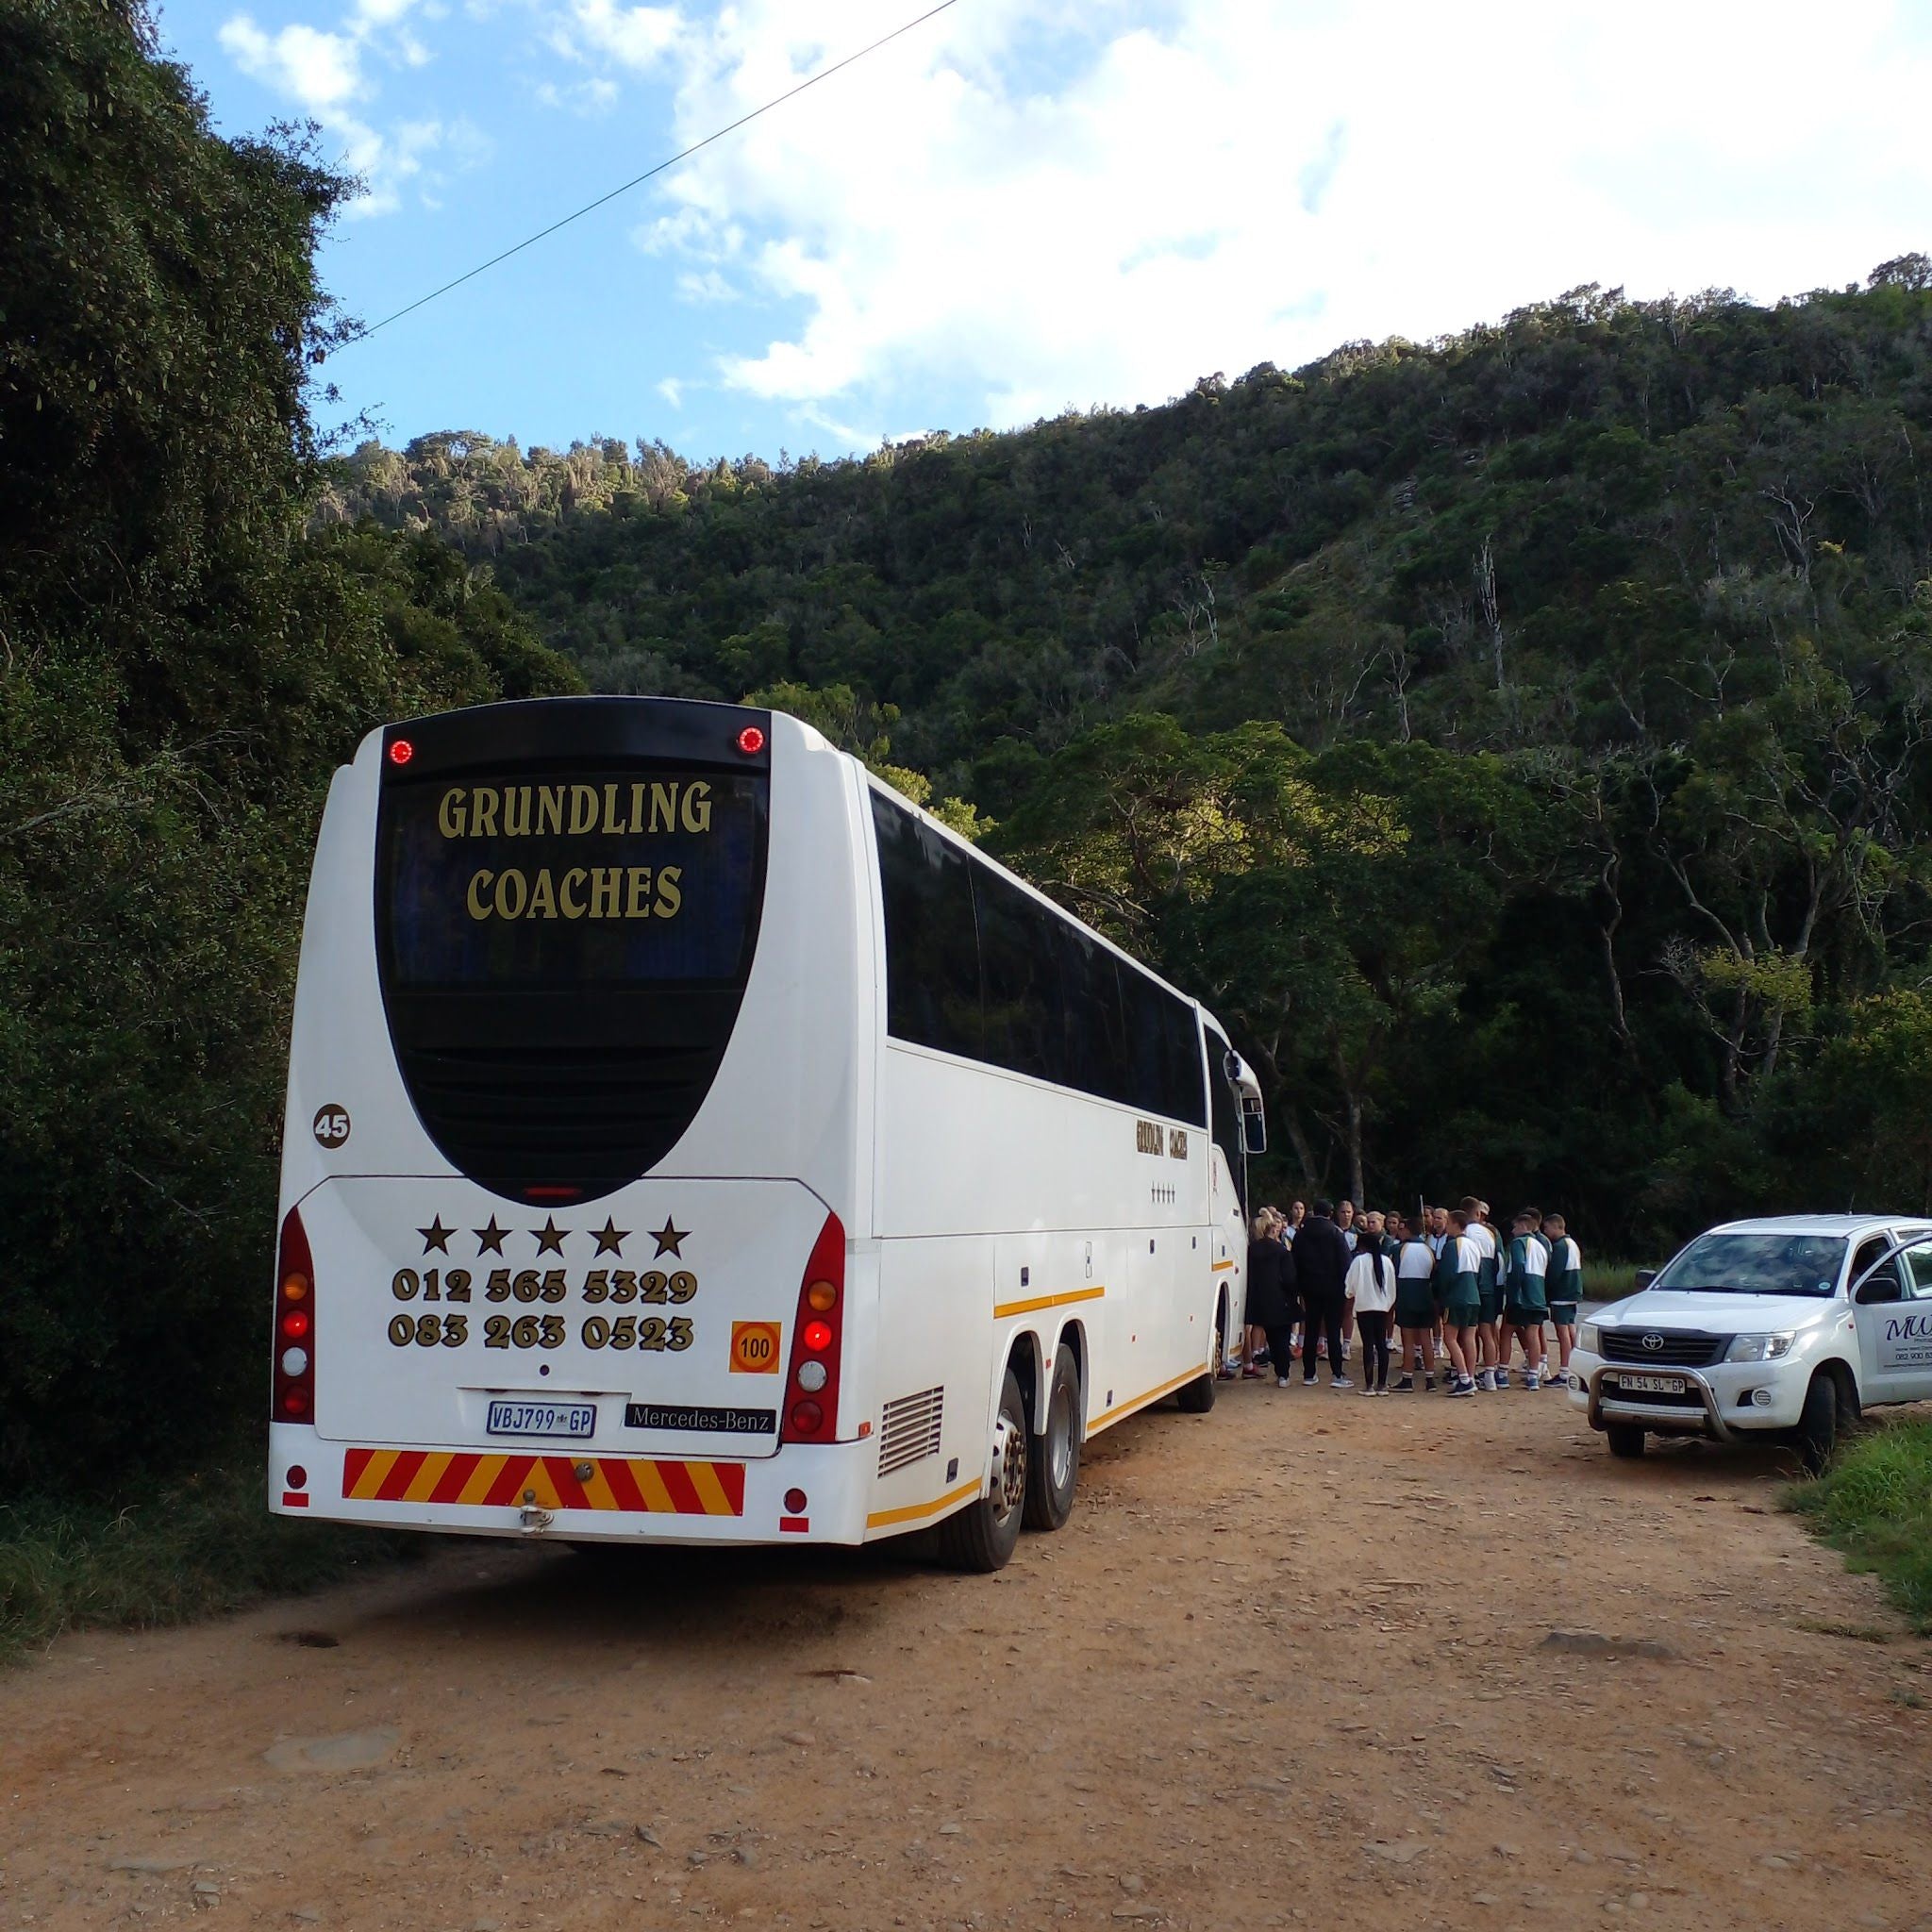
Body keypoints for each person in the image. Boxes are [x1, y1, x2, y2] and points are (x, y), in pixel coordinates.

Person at [1292, 1200, 1353, 1390]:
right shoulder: (1335, 1233)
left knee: (1311, 1329)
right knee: (1333, 1331)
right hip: (1333, 1289)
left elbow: (1294, 1261)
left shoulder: (1301, 1234)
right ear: (1331, 1213)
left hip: (1309, 1288)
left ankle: (1309, 1374)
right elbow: (1345, 1263)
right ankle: (1336, 1374)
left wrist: (1300, 1285)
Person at [1245, 1208, 1300, 1389]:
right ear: (1272, 1229)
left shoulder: (1251, 1250)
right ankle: (1283, 1374)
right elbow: (1289, 1278)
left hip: (1260, 1300)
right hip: (1280, 1300)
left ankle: (1279, 1371)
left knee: (1271, 1336)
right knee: (1281, 1340)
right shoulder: (1281, 1251)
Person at [1346, 1220, 1397, 1395]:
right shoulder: (1386, 1262)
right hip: (1382, 1308)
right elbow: (1392, 1288)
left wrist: (1351, 1294)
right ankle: (1382, 1384)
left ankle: (1368, 1385)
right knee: (1381, 1344)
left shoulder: (1358, 1261)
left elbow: (1349, 1288)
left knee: (1368, 1344)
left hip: (1364, 1307)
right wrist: (1387, 1303)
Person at [1391, 1213, 1440, 1391]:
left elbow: (1393, 1272)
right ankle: (1430, 1379)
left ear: (1408, 1230)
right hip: (1425, 1295)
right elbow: (1435, 1274)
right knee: (1426, 1338)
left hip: (1406, 1295)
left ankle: (1407, 1378)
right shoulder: (1429, 1250)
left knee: (1408, 1339)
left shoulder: (1399, 1250)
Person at [1502, 1208, 1549, 1390]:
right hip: (1538, 1294)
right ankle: (1533, 1376)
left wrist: (1513, 1292)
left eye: (1514, 1227)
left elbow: (1519, 1266)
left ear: (1523, 1226)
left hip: (1522, 1295)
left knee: (1506, 1331)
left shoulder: (1519, 1243)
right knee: (1533, 1333)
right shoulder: (1541, 1245)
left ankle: (1502, 1373)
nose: (1512, 1232)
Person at [1460, 1195, 1502, 1391]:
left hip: (1473, 1287)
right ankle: (1490, 1376)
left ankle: (1468, 1375)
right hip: (1489, 1288)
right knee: (1488, 1332)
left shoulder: (1465, 1233)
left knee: (1469, 1333)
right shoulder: (1490, 1233)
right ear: (1478, 1213)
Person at [1441, 1208, 1482, 1396]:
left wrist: (1441, 1293)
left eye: (1448, 1223)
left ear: (1456, 1224)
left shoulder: (1452, 1245)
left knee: (1450, 1338)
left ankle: (1464, 1378)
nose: (1446, 1227)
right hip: (1474, 1296)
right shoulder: (1474, 1245)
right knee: (1469, 1337)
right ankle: (1470, 1378)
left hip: (1457, 1296)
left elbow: (1447, 1273)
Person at [1543, 1212, 1584, 1385]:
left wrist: (1546, 1290)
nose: (1545, 1232)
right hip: (1572, 1292)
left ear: (1555, 1226)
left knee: (1562, 1333)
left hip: (1562, 1293)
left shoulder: (1560, 1246)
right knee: (1570, 1329)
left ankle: (1565, 1371)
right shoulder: (1572, 1243)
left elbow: (1554, 1273)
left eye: (1547, 1228)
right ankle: (1575, 1367)